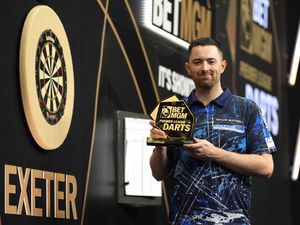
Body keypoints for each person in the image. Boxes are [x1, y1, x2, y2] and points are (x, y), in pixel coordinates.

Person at [149, 37, 276, 225]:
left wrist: (214, 153)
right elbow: (158, 173)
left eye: (211, 61)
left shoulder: (246, 109)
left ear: (223, 66)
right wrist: (160, 145)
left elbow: (266, 167)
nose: (205, 68)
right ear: (188, 68)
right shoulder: (173, 110)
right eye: (197, 62)